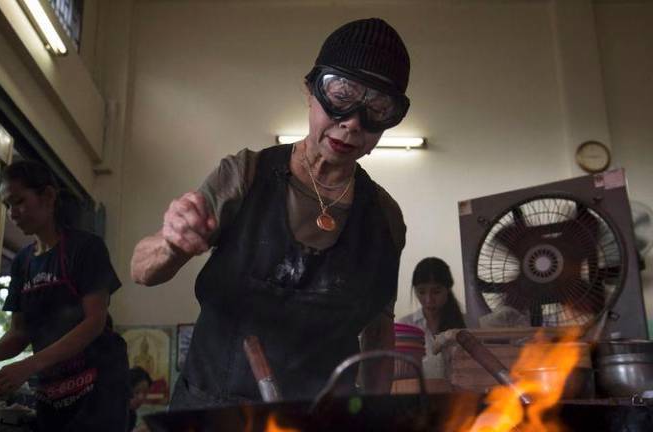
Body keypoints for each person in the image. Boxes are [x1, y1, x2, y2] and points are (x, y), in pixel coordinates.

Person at [131, 18, 409, 408]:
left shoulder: (384, 219)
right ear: (310, 90)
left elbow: (379, 335)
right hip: (213, 413)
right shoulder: (244, 175)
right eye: (340, 95)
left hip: (319, 420)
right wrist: (173, 243)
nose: (352, 124)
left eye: (378, 108)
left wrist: (377, 417)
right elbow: (141, 270)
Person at [0, 160, 129, 431]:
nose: (12, 213)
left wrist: (28, 366)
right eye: (7, 206)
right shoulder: (22, 262)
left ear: (48, 196)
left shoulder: (87, 248)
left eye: (18, 201)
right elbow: (20, 333)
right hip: (51, 391)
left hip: (98, 388)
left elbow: (94, 322)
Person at [398, 257, 467, 378]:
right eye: (421, 292)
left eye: (436, 292)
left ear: (448, 289)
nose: (429, 300)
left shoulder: (466, 323)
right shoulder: (406, 326)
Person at [128, 367, 153, 431]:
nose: (141, 398)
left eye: (145, 393)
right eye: (136, 392)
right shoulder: (114, 411)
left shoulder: (132, 414)